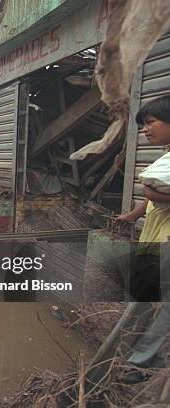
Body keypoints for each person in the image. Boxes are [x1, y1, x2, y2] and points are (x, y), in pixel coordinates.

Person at [116, 95, 170, 382]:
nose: (146, 130)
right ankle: (143, 354)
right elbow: (151, 200)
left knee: (157, 304)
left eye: (150, 123)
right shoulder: (166, 156)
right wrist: (134, 214)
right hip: (155, 236)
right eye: (143, 125)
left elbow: (155, 195)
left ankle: (139, 363)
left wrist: (154, 194)